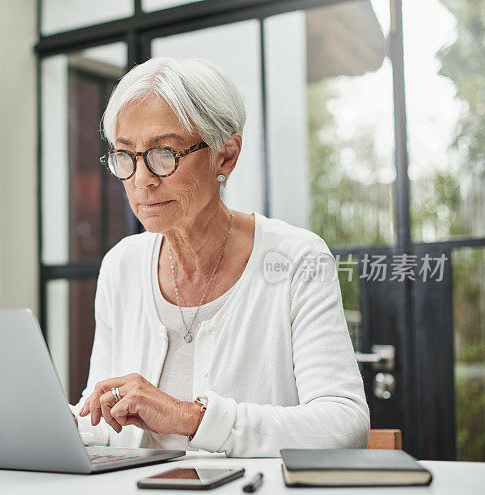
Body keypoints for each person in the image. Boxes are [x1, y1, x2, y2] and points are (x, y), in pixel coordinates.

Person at [70, 57, 369, 457]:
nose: (141, 180)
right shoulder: (121, 265)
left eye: (164, 153)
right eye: (125, 155)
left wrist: (190, 417)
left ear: (224, 156)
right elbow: (104, 421)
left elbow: (344, 424)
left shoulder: (297, 259)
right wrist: (62, 424)